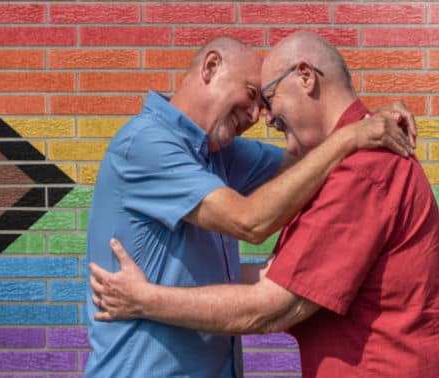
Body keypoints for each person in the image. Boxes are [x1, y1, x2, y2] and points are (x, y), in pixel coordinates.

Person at [89, 32, 439, 378]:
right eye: (256, 96)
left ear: (306, 77)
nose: (260, 116)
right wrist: (351, 136)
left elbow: (307, 168)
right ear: (211, 67)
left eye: (267, 100)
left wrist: (367, 125)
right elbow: (250, 222)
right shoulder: (146, 145)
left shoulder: (221, 155)